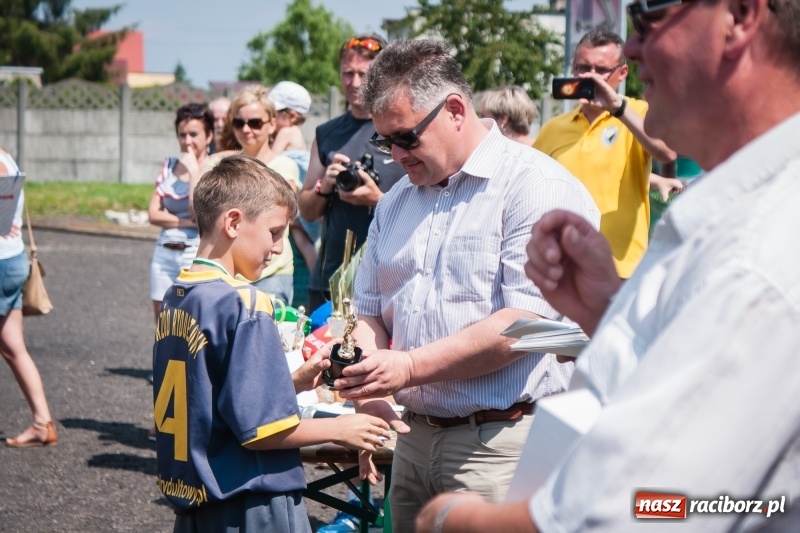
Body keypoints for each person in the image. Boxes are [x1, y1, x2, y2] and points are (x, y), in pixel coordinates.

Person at [416, 0, 800, 530]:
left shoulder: (757, 253)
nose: (634, 48)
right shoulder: (744, 213)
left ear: (738, 17)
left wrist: (452, 519)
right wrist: (612, 308)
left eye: (649, 19)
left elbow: (648, 510)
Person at [329, 39, 599, 532]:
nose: (394, 154)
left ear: (454, 109)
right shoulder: (396, 202)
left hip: (501, 446)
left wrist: (407, 366)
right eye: (383, 141)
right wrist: (368, 383)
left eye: (405, 138)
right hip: (412, 440)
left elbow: (527, 326)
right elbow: (367, 308)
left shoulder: (535, 187)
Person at [152, 155, 391, 531]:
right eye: (275, 232)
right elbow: (264, 431)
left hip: (197, 502)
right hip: (249, 501)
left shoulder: (177, 295)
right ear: (232, 222)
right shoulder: (244, 302)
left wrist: (291, 382)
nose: (280, 248)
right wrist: (344, 428)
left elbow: (214, 399)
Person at [533, 27, 676, 279]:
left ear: (622, 73)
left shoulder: (637, 112)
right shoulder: (553, 128)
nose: (590, 78)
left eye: (600, 70)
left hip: (621, 268)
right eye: (582, 68)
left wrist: (616, 109)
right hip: (563, 266)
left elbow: (666, 152)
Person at [298, 34, 406, 313]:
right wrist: (326, 185)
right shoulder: (326, 134)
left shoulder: (400, 130)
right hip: (331, 278)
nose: (354, 82)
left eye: (363, 73)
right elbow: (307, 211)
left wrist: (377, 198)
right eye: (348, 73)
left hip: (390, 277)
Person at [210, 85, 301, 305]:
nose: (246, 129)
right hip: (229, 271)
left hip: (271, 272)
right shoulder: (222, 164)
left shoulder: (284, 165)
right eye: (239, 123)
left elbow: (286, 213)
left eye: (255, 123)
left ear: (272, 125)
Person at [1, 148, 58, 448]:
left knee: (13, 348)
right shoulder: (7, 157)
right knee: (13, 348)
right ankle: (42, 423)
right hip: (12, 262)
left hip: (0, 264)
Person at [148, 103, 213, 322]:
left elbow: (197, 214)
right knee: (162, 321)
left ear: (209, 136)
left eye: (194, 134)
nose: (187, 142)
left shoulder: (213, 168)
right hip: (163, 251)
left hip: (193, 251)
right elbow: (153, 214)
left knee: (190, 320)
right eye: (182, 135)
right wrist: (186, 223)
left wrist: (195, 172)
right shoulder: (169, 165)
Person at [267, 81, 319, 310]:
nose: (272, 119)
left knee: (299, 236)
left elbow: (270, 160)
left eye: (275, 113)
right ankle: (315, 275)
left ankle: (317, 277)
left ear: (292, 115)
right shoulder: (295, 131)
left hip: (296, 192)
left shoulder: (286, 132)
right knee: (302, 241)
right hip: (299, 187)